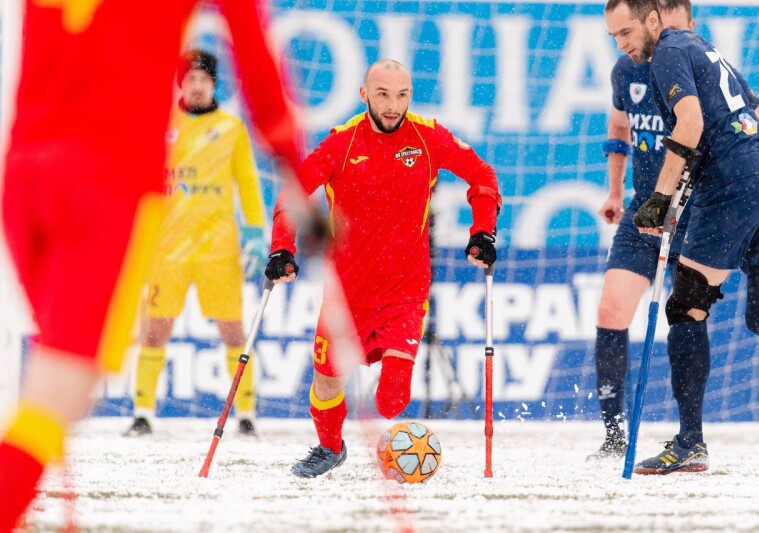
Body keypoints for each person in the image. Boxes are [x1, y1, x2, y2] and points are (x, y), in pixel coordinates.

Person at [0, 1, 303, 529]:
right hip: (108, 188)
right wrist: (294, 168)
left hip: (25, 176)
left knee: (52, 391)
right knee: (55, 402)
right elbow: (253, 52)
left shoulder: (220, 127)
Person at [265, 59, 502, 478]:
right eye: (383, 95)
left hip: (405, 291)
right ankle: (329, 447)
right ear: (364, 95)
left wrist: (482, 231)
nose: (393, 105)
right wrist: (282, 249)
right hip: (346, 294)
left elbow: (482, 173)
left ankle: (390, 447)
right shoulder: (342, 142)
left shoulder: (428, 136)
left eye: (402, 95)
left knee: (391, 400)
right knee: (325, 383)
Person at [590, 0, 759, 461]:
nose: (621, 46)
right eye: (614, 38)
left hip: (724, 190)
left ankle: (689, 443)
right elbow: (753, 121)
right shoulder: (705, 51)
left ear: (654, 21)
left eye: (625, 33)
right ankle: (618, 433)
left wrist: (660, 200)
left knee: (685, 309)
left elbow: (692, 122)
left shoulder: (669, 53)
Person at [125, 50, 266, 438]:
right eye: (191, 79)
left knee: (233, 330)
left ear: (213, 84)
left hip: (218, 248)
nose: (198, 85)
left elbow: (249, 184)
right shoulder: (162, 124)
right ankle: (143, 412)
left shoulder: (231, 128)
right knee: (155, 329)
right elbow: (140, 178)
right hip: (166, 247)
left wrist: (255, 233)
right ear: (181, 85)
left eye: (205, 79)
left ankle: (246, 413)